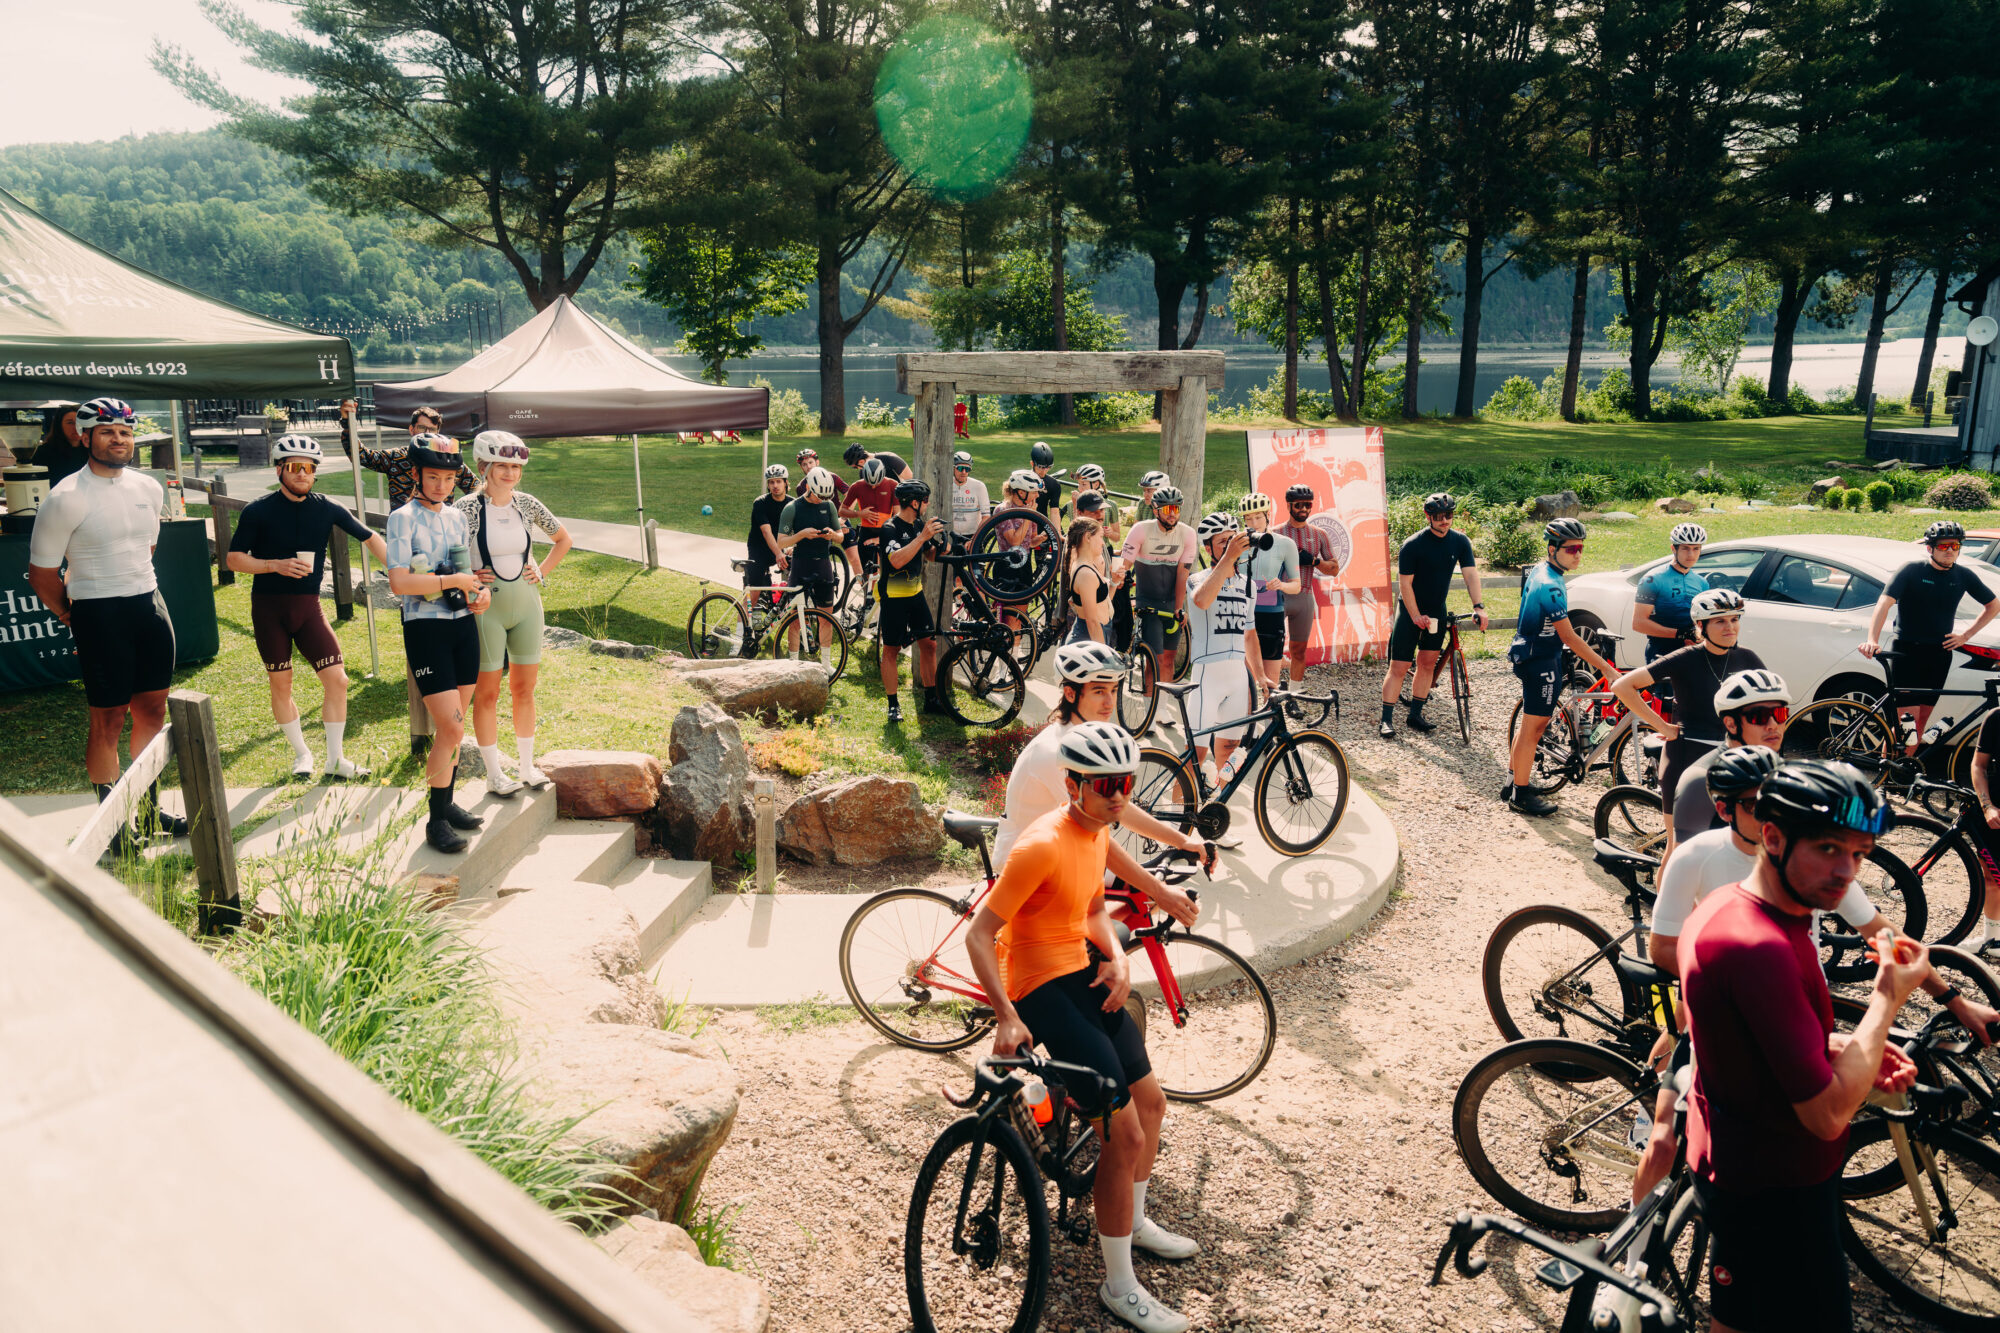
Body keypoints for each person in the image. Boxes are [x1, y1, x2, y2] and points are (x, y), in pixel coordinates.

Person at [1628, 749, 1998, 1204]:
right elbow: (1662, 947)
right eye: (1754, 802)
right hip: (1722, 1000)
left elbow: (1885, 934)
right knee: (1663, 1140)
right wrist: (1730, 992)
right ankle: (1632, 1256)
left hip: (1785, 996)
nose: (1846, 868)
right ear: (1727, 811)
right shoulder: (1699, 857)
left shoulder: (1819, 863)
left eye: (1859, 855)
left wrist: (1955, 1000)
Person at [1676, 760, 1929, 1333]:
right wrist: (1886, 1000)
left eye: (1860, 854)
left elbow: (1740, 1028)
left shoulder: (1726, 906)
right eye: (1829, 848)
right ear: (1772, 835)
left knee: (1740, 1315)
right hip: (1772, 1187)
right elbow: (1827, 1114)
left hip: (1738, 1161)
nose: (1847, 872)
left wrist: (1834, 1046)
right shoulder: (1756, 945)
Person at [967, 721, 1199, 1333]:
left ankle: (1135, 1220)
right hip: (1039, 988)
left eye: (1125, 783)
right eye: (1104, 786)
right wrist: (1007, 1016)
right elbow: (979, 935)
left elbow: (1094, 909)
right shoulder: (1041, 845)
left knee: (1151, 1105)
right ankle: (1119, 1286)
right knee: (1122, 1134)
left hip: (1081, 970)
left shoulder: (1096, 832)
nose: (1118, 796)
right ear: (1073, 786)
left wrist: (1119, 959)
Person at [25, 396, 187, 847]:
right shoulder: (64, 498)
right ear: (84, 437)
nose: (119, 439)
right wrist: (70, 614)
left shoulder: (148, 488)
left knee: (153, 711)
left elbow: (146, 548)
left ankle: (150, 811)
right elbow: (41, 575)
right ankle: (113, 827)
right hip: (98, 612)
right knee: (108, 719)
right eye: (107, 431)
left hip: (149, 606)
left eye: (125, 432)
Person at [225, 432, 388, 780]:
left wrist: (402, 572)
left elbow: (370, 537)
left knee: (338, 681)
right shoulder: (258, 510)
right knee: (281, 685)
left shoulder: (327, 507)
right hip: (269, 609)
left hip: (308, 607)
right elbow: (234, 559)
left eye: (309, 468)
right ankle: (302, 755)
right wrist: (274, 564)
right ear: (280, 470)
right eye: (295, 467)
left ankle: (335, 760)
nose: (303, 473)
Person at [995, 641, 1213, 874]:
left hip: (1057, 855)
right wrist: (1155, 890)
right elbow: (1097, 836)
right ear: (1070, 693)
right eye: (1099, 691)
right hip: (1024, 868)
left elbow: (1117, 807)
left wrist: (1181, 840)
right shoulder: (1056, 752)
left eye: (1113, 690)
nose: (1110, 703)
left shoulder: (1084, 741)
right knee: (1139, 896)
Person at [385, 435, 492, 853]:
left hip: (463, 625)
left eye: (449, 479)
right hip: (426, 628)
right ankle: (435, 821)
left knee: (456, 725)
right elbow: (399, 583)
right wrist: (452, 582)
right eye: (433, 477)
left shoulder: (455, 518)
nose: (442, 486)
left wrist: (480, 595)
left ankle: (446, 804)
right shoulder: (402, 518)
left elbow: (467, 572)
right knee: (449, 726)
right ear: (416, 475)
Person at [457, 431, 572, 795]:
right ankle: (494, 773)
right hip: (485, 609)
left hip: (526, 605)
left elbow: (563, 540)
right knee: (487, 692)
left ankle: (526, 767)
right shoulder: (465, 509)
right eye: (502, 466)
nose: (510, 473)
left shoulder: (527, 504)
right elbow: (449, 557)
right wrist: (468, 577)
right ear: (484, 467)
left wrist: (542, 570)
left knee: (525, 689)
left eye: (515, 466)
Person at [1611, 588, 1765, 848]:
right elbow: (1623, 686)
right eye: (1720, 621)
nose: (1730, 627)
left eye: (1734, 619)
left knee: (1734, 847)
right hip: (1686, 759)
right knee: (1679, 849)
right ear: (1701, 626)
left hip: (1729, 763)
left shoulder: (1747, 658)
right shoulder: (1686, 658)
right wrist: (1663, 726)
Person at [1505, 517, 1617, 817]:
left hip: (1538, 654)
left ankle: (1513, 781)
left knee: (1531, 725)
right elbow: (1570, 635)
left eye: (1581, 548)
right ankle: (1521, 794)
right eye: (1571, 549)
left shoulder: (1544, 570)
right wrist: (1605, 668)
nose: (1578, 554)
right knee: (1535, 728)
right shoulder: (1550, 585)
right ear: (1553, 548)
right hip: (1539, 660)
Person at [1861, 518, 1999, 755]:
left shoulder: (1963, 575)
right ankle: (1887, 775)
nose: (1949, 551)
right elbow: (1883, 604)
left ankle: (1901, 775)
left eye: (1954, 546)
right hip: (1907, 652)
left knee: (1922, 721)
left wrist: (1965, 636)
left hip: (1939, 654)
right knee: (1907, 725)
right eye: (1944, 546)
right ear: (1930, 548)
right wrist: (1872, 638)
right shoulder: (1912, 570)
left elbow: (1993, 605)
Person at [1380, 492, 1486, 739]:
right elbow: (1405, 585)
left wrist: (1479, 605)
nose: (1444, 520)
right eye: (1438, 516)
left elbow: (1470, 574)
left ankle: (1415, 714)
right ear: (1428, 516)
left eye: (1448, 515)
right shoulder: (1413, 544)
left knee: (1428, 663)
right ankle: (1386, 719)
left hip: (1436, 609)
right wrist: (1416, 615)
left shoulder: (1460, 542)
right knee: (1400, 665)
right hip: (1409, 609)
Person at [1665, 669, 1790, 851]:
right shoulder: (1700, 782)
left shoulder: (1778, 767)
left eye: (1780, 714)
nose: (1773, 725)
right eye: (1759, 716)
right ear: (1731, 724)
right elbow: (1680, 864)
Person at [1186, 512, 1255, 785]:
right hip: (1207, 677)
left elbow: (1250, 636)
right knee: (1195, 757)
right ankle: (1178, 819)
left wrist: (1259, 678)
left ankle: (1217, 813)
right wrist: (1227, 560)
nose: (1230, 547)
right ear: (1208, 548)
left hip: (1238, 677)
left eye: (1232, 540)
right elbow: (1202, 600)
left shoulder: (1248, 584)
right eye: (1222, 543)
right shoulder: (1197, 579)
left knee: (1228, 755)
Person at [878, 479, 946, 722]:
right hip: (894, 597)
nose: (928, 504)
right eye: (925, 500)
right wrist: (921, 538)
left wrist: (942, 545)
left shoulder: (918, 524)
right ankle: (893, 704)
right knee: (892, 650)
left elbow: (928, 554)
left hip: (915, 594)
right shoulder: (889, 528)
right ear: (914, 503)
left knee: (929, 644)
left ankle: (931, 699)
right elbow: (896, 560)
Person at [1274, 482, 1342, 712]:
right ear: (1289, 505)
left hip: (1304, 598)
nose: (1303, 508)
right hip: (1278, 598)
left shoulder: (1318, 534)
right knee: (1272, 650)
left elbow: (1334, 568)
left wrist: (1314, 561)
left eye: (1307, 504)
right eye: (1298, 504)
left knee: (1299, 651)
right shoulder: (1276, 533)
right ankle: (1270, 694)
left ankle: (1293, 696)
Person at [343, 403, 480, 510]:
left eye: (432, 429)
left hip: (440, 528)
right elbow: (362, 456)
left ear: (438, 432)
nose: (426, 433)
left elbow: (476, 488)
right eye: (421, 428)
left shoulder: (449, 461)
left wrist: (459, 514)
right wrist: (347, 424)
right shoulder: (396, 457)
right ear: (411, 429)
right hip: (403, 527)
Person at [1120, 485, 1196, 669]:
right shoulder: (1141, 530)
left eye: (1176, 509)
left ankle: (1162, 698)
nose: (1172, 514)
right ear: (1155, 510)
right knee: (1156, 660)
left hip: (1171, 604)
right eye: (1167, 509)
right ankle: (1150, 698)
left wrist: (1179, 607)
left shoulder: (1188, 534)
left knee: (1169, 661)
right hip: (1147, 603)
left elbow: (1182, 574)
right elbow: (1124, 566)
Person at [1237, 493, 1301, 700]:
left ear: (1267, 515)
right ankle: (1246, 727)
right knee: (1245, 679)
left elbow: (1297, 586)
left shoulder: (1284, 544)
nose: (1253, 523)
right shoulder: (1237, 543)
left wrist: (1281, 585)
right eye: (1248, 518)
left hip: (1271, 616)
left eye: (1258, 517)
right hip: (1242, 615)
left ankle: (1267, 727)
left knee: (1269, 681)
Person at [1632, 523, 1710, 662]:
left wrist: (1698, 637)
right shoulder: (1652, 580)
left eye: (1696, 549)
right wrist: (1679, 634)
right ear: (1674, 548)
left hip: (1693, 651)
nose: (1691, 554)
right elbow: (1638, 623)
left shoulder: (1702, 583)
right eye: (1685, 548)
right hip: (1662, 651)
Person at [776, 468, 847, 622]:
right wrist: (802, 534)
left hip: (823, 565)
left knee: (827, 620)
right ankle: (793, 648)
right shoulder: (792, 507)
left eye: (825, 496)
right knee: (795, 621)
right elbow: (781, 541)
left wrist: (833, 535)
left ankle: (825, 648)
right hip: (800, 566)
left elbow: (840, 537)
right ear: (808, 488)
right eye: (819, 495)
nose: (822, 499)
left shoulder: (829, 506)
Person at [798, 447, 864, 585]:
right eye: (804, 464)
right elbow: (806, 510)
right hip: (818, 523)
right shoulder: (801, 487)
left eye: (810, 462)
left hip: (840, 519)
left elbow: (852, 496)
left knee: (855, 558)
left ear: (817, 462)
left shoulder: (832, 477)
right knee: (819, 560)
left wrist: (843, 519)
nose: (808, 467)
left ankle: (865, 594)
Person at [746, 464, 791, 604]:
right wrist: (778, 553)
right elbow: (766, 531)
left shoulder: (792, 504)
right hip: (759, 549)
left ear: (786, 483)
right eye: (771, 482)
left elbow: (800, 529)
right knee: (754, 592)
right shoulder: (760, 503)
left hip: (778, 547)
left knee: (799, 581)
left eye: (778, 481)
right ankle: (740, 626)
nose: (775, 485)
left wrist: (792, 547)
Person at [1065, 517, 1113, 644]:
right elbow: (1092, 622)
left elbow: (1102, 602)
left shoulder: (1086, 565)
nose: (1103, 543)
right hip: (1089, 638)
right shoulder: (1086, 574)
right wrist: (1105, 655)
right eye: (1100, 536)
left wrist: (1115, 582)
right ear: (1087, 537)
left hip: (1097, 634)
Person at [29, 402, 88, 489]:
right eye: (70, 423)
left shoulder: (91, 451)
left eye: (80, 422)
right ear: (59, 425)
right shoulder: (44, 452)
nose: (76, 427)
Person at [948, 450, 989, 550]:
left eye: (967, 469)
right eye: (960, 468)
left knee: (976, 566)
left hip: (973, 535)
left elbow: (986, 516)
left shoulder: (979, 486)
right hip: (951, 535)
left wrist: (974, 539)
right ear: (953, 468)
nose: (964, 472)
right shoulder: (946, 485)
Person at [1030, 441, 1060, 523]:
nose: (1044, 471)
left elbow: (1054, 512)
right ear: (1032, 464)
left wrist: (1057, 533)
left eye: (1048, 467)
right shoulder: (1022, 481)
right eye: (1041, 467)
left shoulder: (1054, 484)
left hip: (1042, 524)